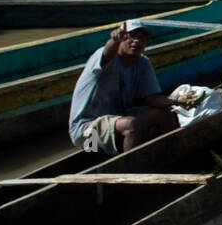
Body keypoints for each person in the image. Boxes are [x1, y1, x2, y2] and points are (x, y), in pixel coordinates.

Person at [68, 19, 180, 153]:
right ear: (121, 38)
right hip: (87, 134)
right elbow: (108, 52)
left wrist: (178, 101)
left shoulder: (142, 63)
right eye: (132, 36)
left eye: (142, 38)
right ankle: (130, 171)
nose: (137, 41)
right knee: (130, 124)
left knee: (163, 113)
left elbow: (153, 97)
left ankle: (176, 154)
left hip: (118, 120)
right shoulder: (105, 57)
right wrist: (114, 40)